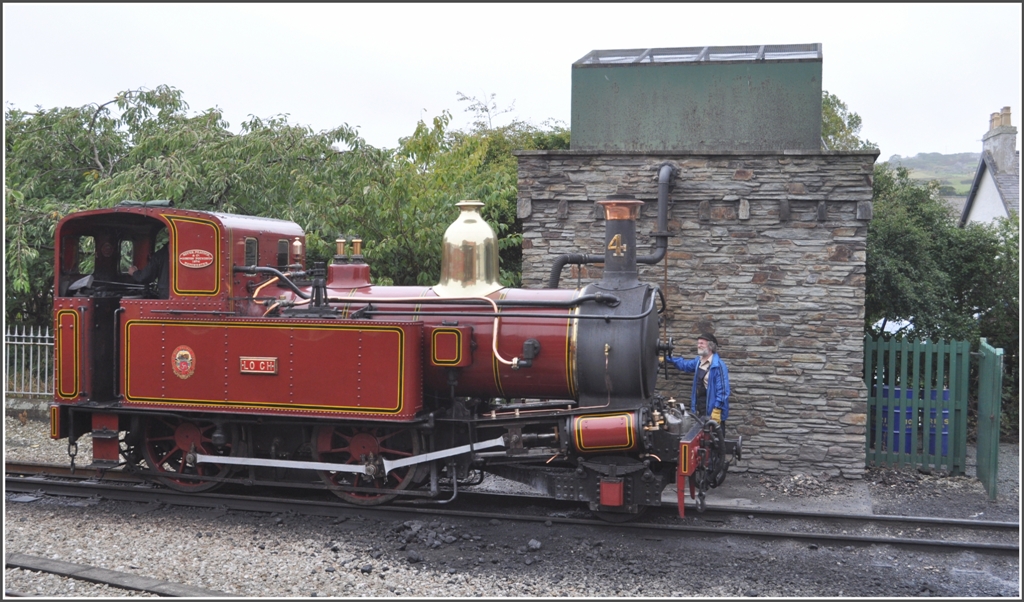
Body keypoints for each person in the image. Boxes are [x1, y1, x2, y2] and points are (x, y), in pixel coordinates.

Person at [667, 333, 731, 428]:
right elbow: (685, 365)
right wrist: (668, 359)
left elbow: (723, 391)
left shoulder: (718, 366)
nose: (699, 345)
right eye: (698, 343)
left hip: (712, 409)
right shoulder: (698, 361)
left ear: (710, 346)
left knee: (715, 439)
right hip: (701, 407)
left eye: (702, 343)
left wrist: (717, 410)